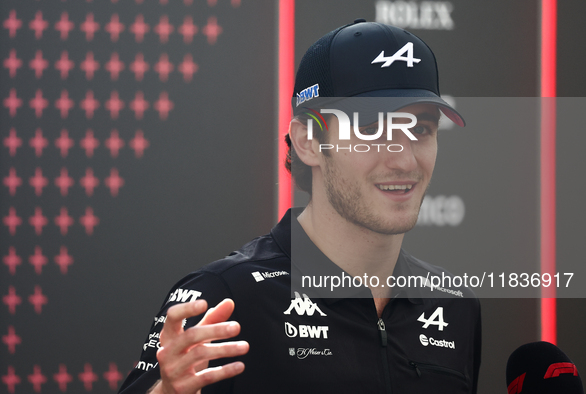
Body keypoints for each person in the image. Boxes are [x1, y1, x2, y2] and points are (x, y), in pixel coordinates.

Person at [119, 19, 481, 394]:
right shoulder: (224, 297)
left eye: (421, 129)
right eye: (374, 128)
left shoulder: (456, 306)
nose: (404, 160)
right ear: (308, 141)